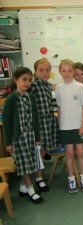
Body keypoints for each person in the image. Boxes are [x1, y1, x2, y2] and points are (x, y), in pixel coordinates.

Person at [3, 67, 44, 204]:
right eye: (24, 79)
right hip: (18, 138)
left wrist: (37, 137)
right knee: (24, 165)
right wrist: (8, 143)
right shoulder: (10, 100)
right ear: (16, 80)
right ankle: (31, 189)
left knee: (29, 163)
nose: (27, 83)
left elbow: (35, 120)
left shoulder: (31, 98)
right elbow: (7, 123)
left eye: (29, 80)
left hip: (30, 136)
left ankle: (23, 187)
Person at [55, 59, 83, 193]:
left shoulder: (80, 87)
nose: (67, 73)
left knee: (80, 152)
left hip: (78, 125)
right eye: (64, 71)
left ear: (73, 71)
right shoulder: (58, 88)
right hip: (65, 126)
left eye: (70, 70)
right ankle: (71, 179)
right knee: (69, 153)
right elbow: (59, 107)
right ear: (60, 72)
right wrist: (59, 124)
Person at [29, 58, 63, 192]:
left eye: (47, 70)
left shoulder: (48, 85)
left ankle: (40, 176)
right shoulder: (33, 86)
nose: (45, 73)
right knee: (39, 151)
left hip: (48, 121)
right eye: (41, 70)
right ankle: (39, 178)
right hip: (39, 123)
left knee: (44, 150)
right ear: (35, 72)